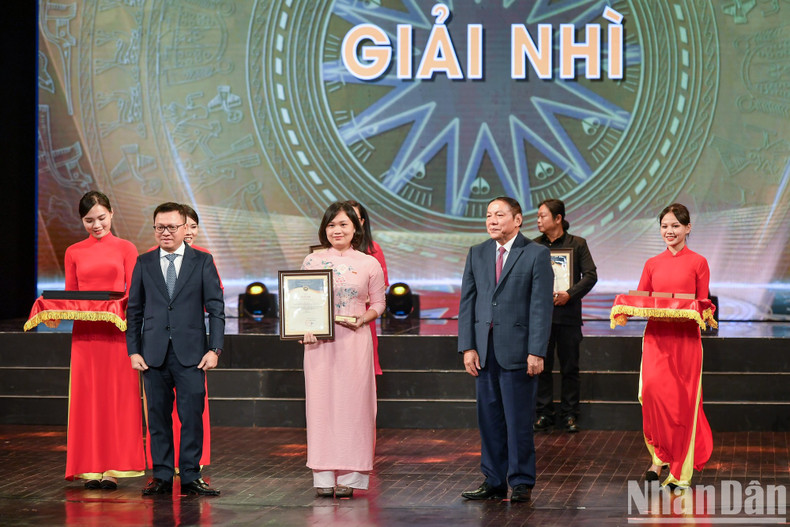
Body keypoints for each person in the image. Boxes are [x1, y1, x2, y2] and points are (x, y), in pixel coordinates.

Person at [458, 196, 553, 503]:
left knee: (518, 420)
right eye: (488, 215)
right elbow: (467, 304)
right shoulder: (477, 253)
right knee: (489, 420)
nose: (492, 220)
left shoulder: (536, 253)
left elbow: (541, 307)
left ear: (517, 219)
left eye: (500, 215)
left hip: (519, 352)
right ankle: (494, 480)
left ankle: (522, 480)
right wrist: (468, 347)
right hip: (484, 352)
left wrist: (536, 351)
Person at [126, 202, 225, 496]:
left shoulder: (202, 261)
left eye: (171, 227)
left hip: (193, 354)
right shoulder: (144, 263)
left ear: (185, 228)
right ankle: (162, 475)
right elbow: (134, 311)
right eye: (160, 227)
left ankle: (192, 475)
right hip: (153, 353)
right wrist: (134, 350)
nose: (165, 232)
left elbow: (216, 309)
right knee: (157, 416)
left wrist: (215, 349)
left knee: (191, 416)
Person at [300, 202, 386, 498]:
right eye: (332, 225)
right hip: (319, 345)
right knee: (321, 405)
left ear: (355, 229)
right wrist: (303, 329)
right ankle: (323, 476)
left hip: (354, 341)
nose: (337, 230)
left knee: (354, 407)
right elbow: (299, 302)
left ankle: (351, 477)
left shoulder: (368, 263)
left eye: (343, 225)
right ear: (325, 230)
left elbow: (379, 303)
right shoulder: (311, 261)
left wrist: (363, 318)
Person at [64, 191, 146, 489]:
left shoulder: (126, 248)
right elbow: (70, 294)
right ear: (81, 220)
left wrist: (114, 308)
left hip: (117, 332)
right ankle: (89, 467)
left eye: (101, 218)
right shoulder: (73, 251)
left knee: (118, 399)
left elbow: (134, 292)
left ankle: (114, 467)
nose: (96, 225)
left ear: (111, 213)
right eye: (89, 220)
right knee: (87, 399)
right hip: (85, 335)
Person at [636, 203, 713, 488]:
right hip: (656, 337)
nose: (670, 231)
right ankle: (660, 456)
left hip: (685, 341)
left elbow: (703, 302)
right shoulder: (652, 263)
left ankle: (679, 469)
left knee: (682, 403)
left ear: (687, 228)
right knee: (652, 395)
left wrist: (695, 308)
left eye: (676, 226)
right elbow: (642, 297)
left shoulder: (699, 262)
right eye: (665, 226)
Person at [533, 199, 598, 433]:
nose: (538, 220)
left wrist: (569, 294)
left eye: (542, 216)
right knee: (541, 367)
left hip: (568, 316)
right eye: (538, 217)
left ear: (558, 218)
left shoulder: (577, 244)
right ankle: (543, 414)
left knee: (570, 368)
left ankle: (570, 414)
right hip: (541, 318)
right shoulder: (534, 246)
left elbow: (590, 276)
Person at [345, 200, 389, 375]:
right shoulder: (323, 255)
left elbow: (381, 289)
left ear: (362, 222)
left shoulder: (372, 250)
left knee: (361, 371)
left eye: (354, 219)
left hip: (362, 317)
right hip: (332, 321)